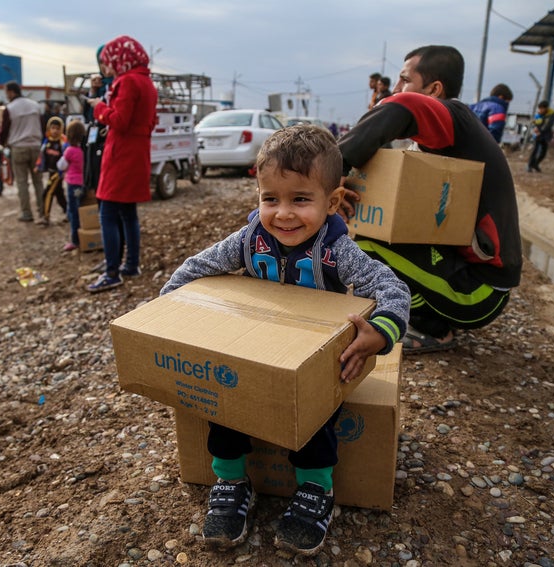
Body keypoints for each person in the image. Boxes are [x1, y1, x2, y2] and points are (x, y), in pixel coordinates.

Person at [160, 124, 410, 555]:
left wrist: (382, 330)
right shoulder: (248, 240)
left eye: (300, 199)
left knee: (316, 418)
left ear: (331, 202)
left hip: (313, 361)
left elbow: (392, 288)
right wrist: (165, 309)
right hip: (256, 353)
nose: (283, 214)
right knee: (223, 404)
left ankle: (316, 487)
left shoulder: (336, 250)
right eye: (270, 198)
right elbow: (196, 267)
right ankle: (232, 478)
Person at [338, 45, 522, 354]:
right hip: (466, 275)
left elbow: (403, 106)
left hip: (479, 294)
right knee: (370, 229)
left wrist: (334, 168)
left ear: (434, 89)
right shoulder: (440, 143)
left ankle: (431, 328)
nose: (395, 88)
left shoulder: (456, 120)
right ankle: (416, 312)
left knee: (364, 242)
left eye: (404, 79)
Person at [86, 36, 158, 293]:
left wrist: (99, 108)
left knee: (108, 213)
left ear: (119, 59)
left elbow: (120, 119)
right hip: (137, 152)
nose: (106, 69)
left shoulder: (127, 81)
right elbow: (148, 120)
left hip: (121, 154)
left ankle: (112, 272)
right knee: (128, 213)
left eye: (107, 63)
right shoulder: (147, 82)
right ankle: (130, 264)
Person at [0, 81, 47, 224]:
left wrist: (0, 143)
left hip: (18, 148)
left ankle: (26, 213)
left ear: (12, 92)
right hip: (36, 147)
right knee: (38, 182)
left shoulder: (10, 108)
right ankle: (43, 211)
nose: (6, 95)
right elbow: (42, 126)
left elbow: (4, 130)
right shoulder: (35, 105)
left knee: (22, 182)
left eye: (7, 92)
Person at [57, 120, 86, 252]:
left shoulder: (69, 150)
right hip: (82, 183)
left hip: (72, 184)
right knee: (80, 209)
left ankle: (75, 240)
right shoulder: (83, 150)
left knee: (73, 211)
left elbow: (61, 165)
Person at [38, 115, 68, 220]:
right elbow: (42, 156)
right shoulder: (47, 141)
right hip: (50, 171)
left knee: (48, 193)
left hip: (58, 173)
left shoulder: (63, 143)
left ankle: (45, 216)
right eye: (53, 128)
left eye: (57, 128)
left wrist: (63, 171)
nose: (55, 131)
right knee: (59, 194)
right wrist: (39, 166)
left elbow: (66, 157)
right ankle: (68, 212)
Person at [527, 100, 554, 172]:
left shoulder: (551, 115)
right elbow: (536, 122)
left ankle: (535, 164)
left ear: (546, 108)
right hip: (538, 135)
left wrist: (540, 131)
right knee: (535, 150)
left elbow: (548, 125)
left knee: (543, 152)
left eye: (542, 108)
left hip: (545, 135)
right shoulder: (539, 115)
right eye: (539, 108)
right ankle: (530, 166)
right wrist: (535, 127)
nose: (540, 110)